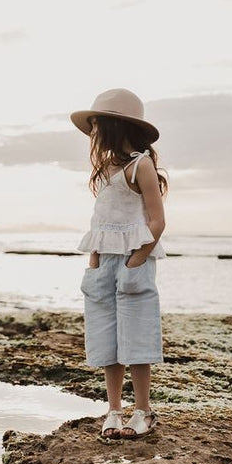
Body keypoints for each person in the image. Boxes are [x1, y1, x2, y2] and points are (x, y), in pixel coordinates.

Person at [70, 88, 168, 440]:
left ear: (114, 125)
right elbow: (101, 222)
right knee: (106, 337)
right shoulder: (104, 170)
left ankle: (142, 410)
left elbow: (157, 221)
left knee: (136, 334)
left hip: (133, 262)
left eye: (96, 124)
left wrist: (135, 261)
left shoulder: (141, 166)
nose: (92, 132)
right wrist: (94, 261)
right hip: (102, 263)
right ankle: (114, 409)